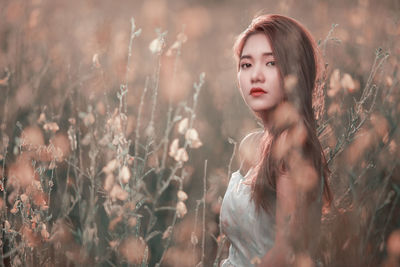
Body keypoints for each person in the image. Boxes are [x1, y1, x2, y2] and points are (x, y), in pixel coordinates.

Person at [219, 14, 332, 267]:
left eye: (271, 63)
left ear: (296, 70)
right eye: (246, 65)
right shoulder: (253, 143)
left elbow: (285, 254)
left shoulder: (294, 147)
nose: (255, 75)